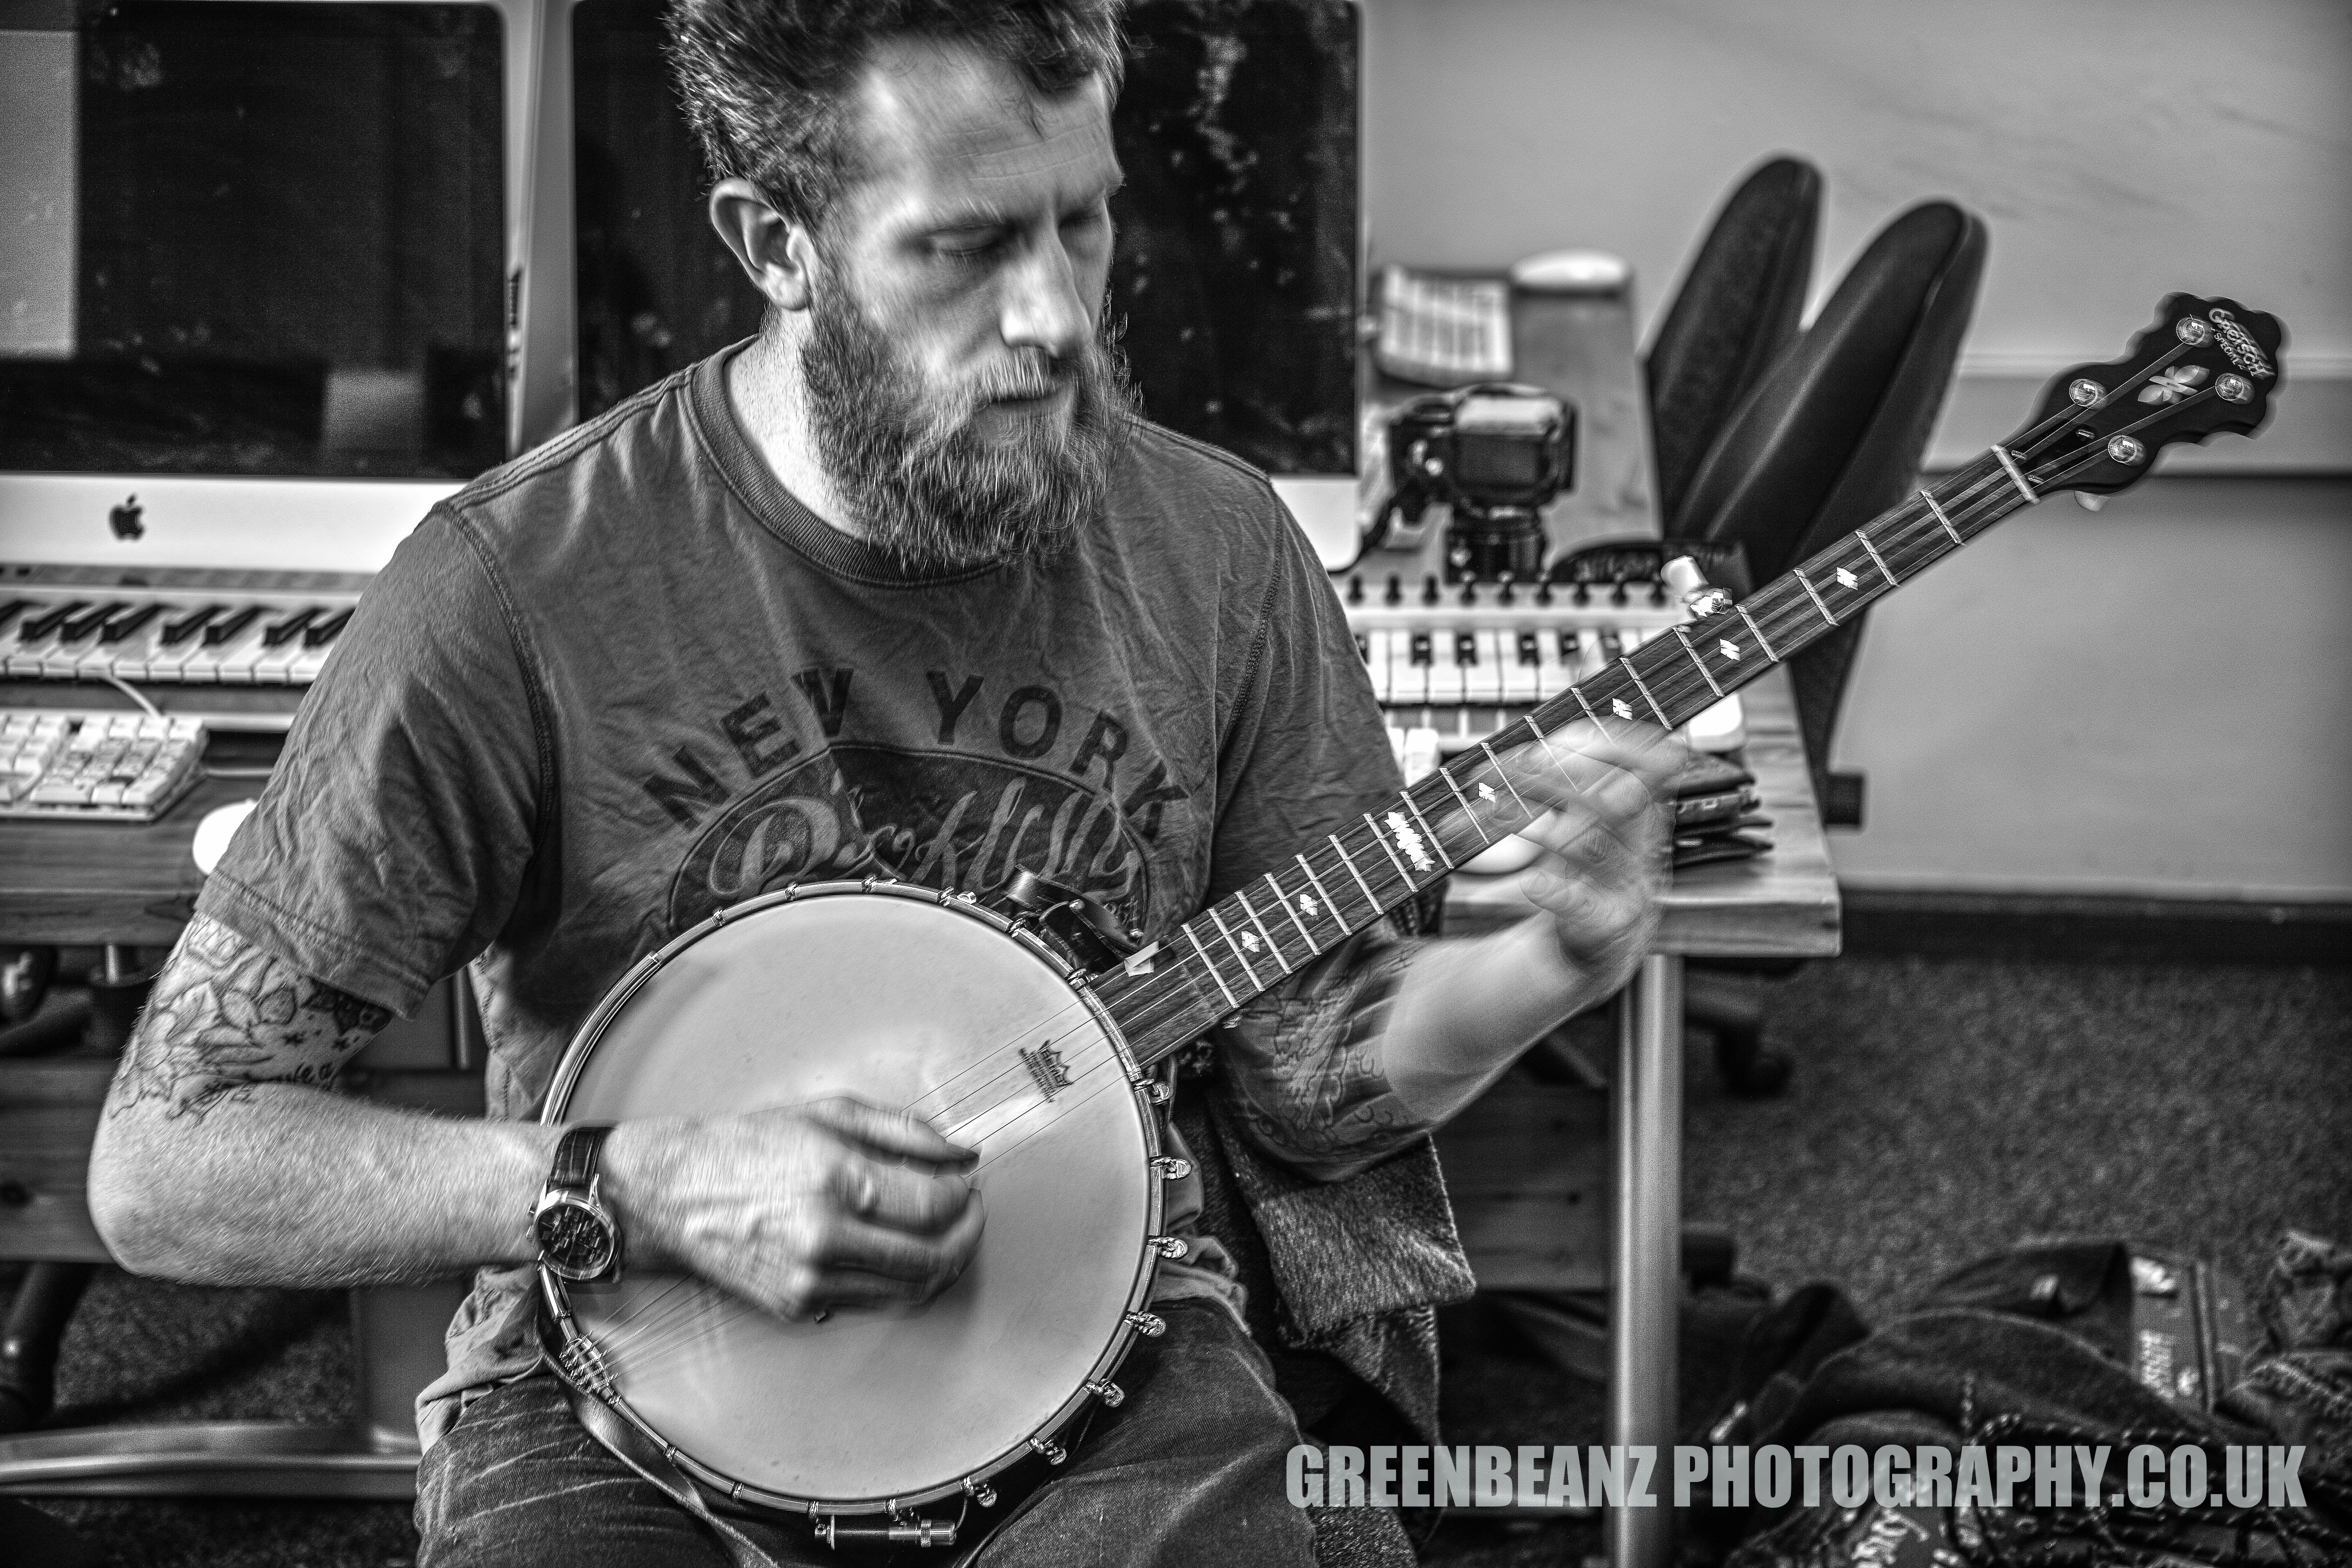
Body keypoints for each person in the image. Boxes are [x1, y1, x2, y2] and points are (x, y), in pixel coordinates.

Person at [84, 2, 1678, 1563]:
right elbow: (168, 1167)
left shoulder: (1222, 554)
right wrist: (633, 1185)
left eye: (1087, 221)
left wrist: (1549, 965)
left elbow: (1314, 1088)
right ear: (775, 243)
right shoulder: (510, 586)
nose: (1058, 314)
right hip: (622, 1382)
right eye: (969, 245)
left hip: (1111, 1347)